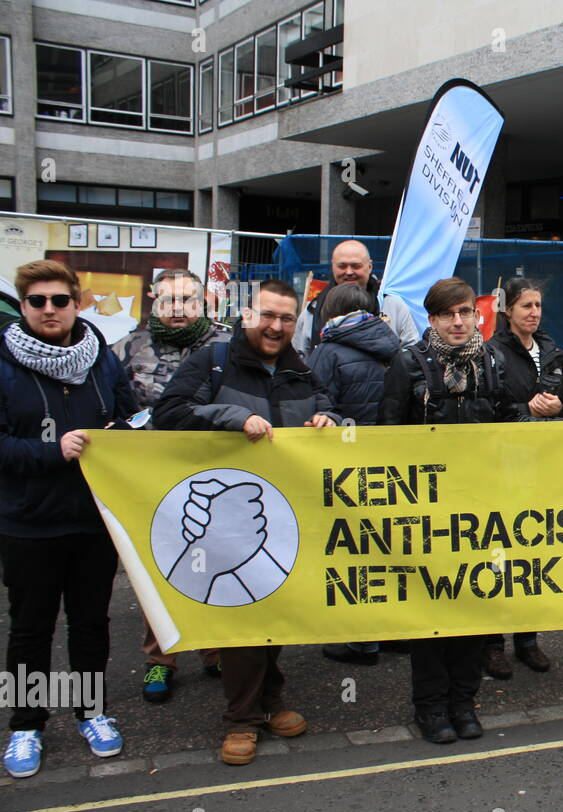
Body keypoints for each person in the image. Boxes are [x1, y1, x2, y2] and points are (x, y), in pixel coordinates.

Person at [154, 279, 339, 765]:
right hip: (222, 521)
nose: (276, 326)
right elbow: (168, 415)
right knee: (239, 620)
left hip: (281, 520)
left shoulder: (301, 369)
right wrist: (229, 417)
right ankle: (241, 719)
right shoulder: (212, 361)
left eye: (286, 319)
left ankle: (271, 699)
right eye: (267, 316)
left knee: (274, 613)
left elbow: (328, 409)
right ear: (246, 315)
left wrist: (330, 422)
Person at [1, 259, 138, 779]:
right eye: (38, 301)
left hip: (91, 518)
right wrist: (51, 451)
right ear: (24, 306)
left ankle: (90, 711)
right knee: (30, 629)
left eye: (60, 300)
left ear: (76, 303)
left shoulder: (102, 358)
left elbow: (129, 414)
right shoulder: (4, 361)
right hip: (28, 521)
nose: (50, 309)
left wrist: (119, 434)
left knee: (90, 622)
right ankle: (26, 723)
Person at [380, 277, 523, 744]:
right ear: (433, 318)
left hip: (480, 509)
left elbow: (509, 422)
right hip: (428, 509)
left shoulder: (492, 361)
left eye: (465, 312)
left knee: (474, 609)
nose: (459, 322)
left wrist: (541, 420)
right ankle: (431, 707)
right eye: (447, 314)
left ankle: (464, 702)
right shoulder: (407, 363)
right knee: (431, 613)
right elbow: (387, 433)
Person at [113, 268, 226, 702]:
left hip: (217, 476)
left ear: (204, 302)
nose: (179, 309)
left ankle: (215, 648)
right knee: (160, 570)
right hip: (152, 482)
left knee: (219, 565)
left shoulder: (228, 347)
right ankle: (160, 659)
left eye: (188, 300)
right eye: (170, 300)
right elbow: (117, 415)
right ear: (155, 301)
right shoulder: (125, 349)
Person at [481, 277, 563, 679]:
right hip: (506, 467)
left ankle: (527, 639)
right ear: (508, 311)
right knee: (498, 554)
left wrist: (560, 406)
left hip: (545, 467)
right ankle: (491, 644)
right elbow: (488, 409)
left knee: (533, 555)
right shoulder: (492, 353)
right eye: (526, 306)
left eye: (538, 305)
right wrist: (528, 410)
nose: (534, 313)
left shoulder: (553, 352)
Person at [307, 282, 402, 667]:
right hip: (391, 467)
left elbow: (316, 402)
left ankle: (362, 643)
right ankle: (393, 631)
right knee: (389, 550)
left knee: (354, 555)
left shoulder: (328, 350)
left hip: (346, 470)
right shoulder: (395, 347)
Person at [293, 239, 420, 356]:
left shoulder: (393, 306)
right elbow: (300, 356)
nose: (348, 272)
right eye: (342, 266)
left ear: (369, 266)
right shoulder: (313, 311)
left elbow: (411, 353)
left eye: (356, 266)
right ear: (333, 267)